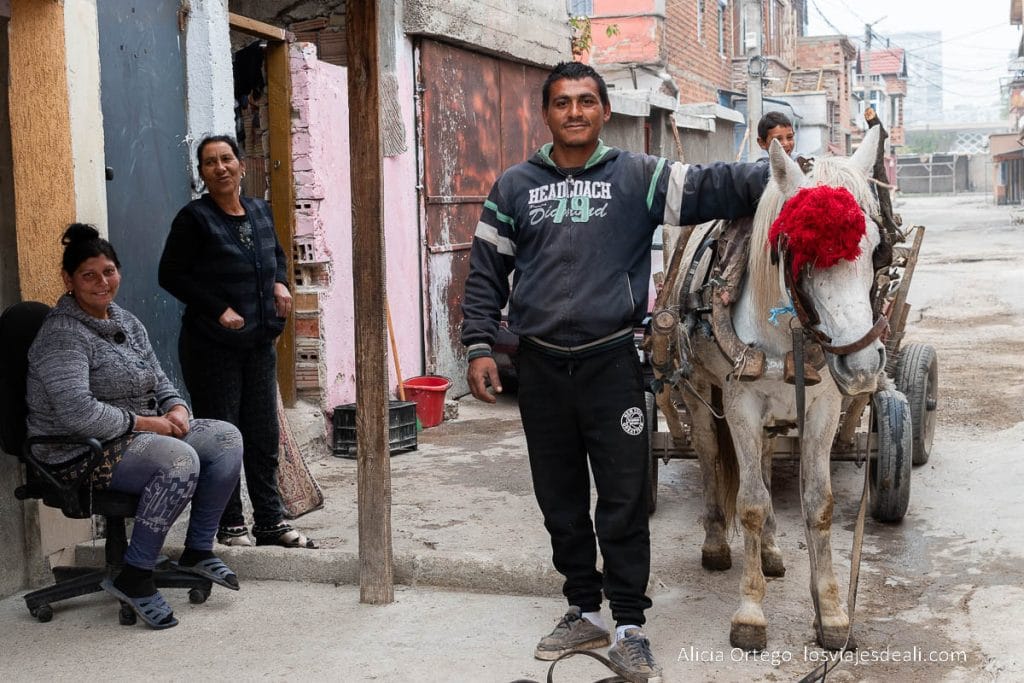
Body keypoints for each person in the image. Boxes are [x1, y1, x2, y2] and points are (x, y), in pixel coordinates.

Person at [461, 61, 769, 683]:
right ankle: (581, 608)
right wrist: (477, 346)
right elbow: (486, 275)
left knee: (625, 500)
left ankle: (628, 624)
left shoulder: (639, 178)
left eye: (586, 102)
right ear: (545, 113)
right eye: (562, 102)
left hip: (612, 366)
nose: (574, 111)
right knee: (559, 498)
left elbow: (717, 185)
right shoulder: (513, 187)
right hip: (540, 368)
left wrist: (784, 174)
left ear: (604, 112)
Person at [26, 223, 244, 630]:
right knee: (179, 460)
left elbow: (158, 379)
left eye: (109, 271)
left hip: (137, 435)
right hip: (78, 449)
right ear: (69, 280)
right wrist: (151, 424)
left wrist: (176, 407)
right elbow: (78, 414)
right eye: (88, 275)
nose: (101, 282)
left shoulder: (124, 320)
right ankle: (136, 575)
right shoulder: (63, 335)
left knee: (225, 438)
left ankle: (197, 550)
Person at [159, 135, 316, 549]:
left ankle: (270, 520)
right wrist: (216, 308)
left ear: (242, 165)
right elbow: (170, 274)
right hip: (212, 347)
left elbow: (277, 255)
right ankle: (228, 524)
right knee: (225, 437)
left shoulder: (260, 211)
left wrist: (281, 283)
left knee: (262, 436)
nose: (220, 167)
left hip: (258, 343)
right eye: (210, 162)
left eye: (227, 158)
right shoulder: (194, 219)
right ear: (202, 173)